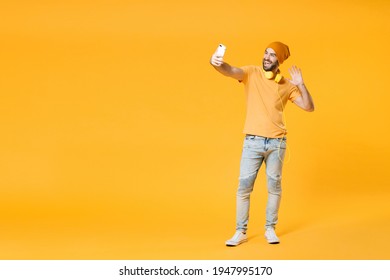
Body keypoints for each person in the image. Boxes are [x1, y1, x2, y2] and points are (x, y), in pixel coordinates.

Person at [210, 41, 314, 246]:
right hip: (252, 142)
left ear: (279, 61)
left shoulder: (287, 85)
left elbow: (309, 107)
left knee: (274, 188)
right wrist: (216, 63)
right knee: (244, 188)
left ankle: (270, 229)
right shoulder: (252, 73)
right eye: (266, 53)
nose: (266, 57)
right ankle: (240, 232)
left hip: (277, 144)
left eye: (272, 55)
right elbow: (230, 70)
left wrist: (301, 84)